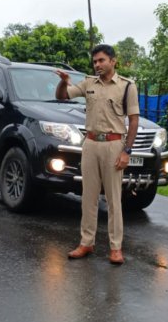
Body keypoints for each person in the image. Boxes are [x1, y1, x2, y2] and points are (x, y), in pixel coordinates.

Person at [55, 44, 139, 265]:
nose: (97, 65)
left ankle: (115, 247)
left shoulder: (127, 86)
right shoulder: (88, 83)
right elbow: (63, 96)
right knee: (88, 198)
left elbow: (133, 120)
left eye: (101, 60)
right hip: (91, 144)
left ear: (113, 61)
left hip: (114, 145)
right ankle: (86, 242)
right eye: (95, 61)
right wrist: (63, 82)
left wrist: (126, 151)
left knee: (113, 200)